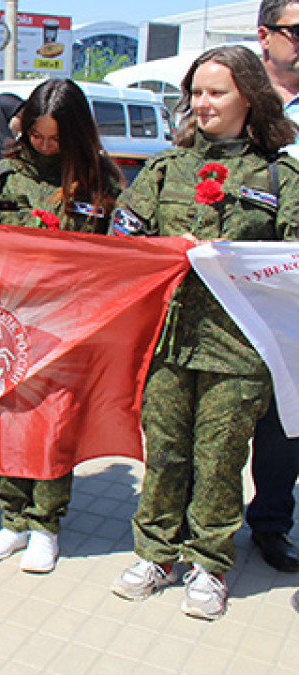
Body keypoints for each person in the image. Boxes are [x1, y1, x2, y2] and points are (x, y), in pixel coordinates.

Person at [108, 45, 299, 621]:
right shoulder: (167, 169)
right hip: (168, 341)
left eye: (216, 92)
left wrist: (235, 258)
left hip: (240, 348)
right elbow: (124, 236)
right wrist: (157, 245)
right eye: (196, 92)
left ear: (249, 97)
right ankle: (155, 554)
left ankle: (210, 564)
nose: (202, 103)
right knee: (165, 453)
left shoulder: (279, 174)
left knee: (219, 459)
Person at [0, 78, 122, 574]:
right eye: (36, 136)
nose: (44, 146)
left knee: (54, 427)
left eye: (56, 139)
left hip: (69, 325)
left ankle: (45, 525)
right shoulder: (7, 175)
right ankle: (12, 519)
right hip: (11, 322)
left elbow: (118, 255)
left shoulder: (100, 179)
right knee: (9, 422)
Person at [246, 0, 299, 574]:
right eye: (298, 31)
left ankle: (271, 522)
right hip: (237, 284)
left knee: (286, 416)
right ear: (266, 35)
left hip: (293, 289)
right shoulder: (232, 87)